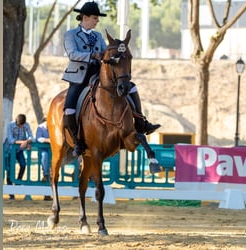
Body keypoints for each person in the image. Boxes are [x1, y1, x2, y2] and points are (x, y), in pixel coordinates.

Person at [62, 1, 160, 157]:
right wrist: (92, 55)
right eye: (95, 18)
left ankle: (141, 122)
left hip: (98, 74)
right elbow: (72, 54)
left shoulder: (98, 36)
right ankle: (77, 142)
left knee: (131, 87)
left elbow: (105, 52)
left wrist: (114, 54)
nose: (97, 21)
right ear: (85, 17)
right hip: (78, 77)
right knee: (69, 108)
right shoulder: (71, 35)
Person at [5, 114, 33, 200]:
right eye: (20, 125)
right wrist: (23, 142)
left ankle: (18, 181)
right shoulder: (10, 125)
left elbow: (31, 136)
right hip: (10, 150)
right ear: (17, 122)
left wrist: (27, 141)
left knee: (23, 165)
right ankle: (11, 193)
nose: (21, 126)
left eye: (22, 125)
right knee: (10, 170)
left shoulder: (26, 125)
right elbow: (10, 140)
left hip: (19, 150)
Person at [35, 117, 52, 201]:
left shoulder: (53, 126)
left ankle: (48, 195)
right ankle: (45, 173)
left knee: (51, 174)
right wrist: (47, 140)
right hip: (44, 150)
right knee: (45, 157)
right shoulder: (40, 127)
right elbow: (38, 138)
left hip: (52, 151)